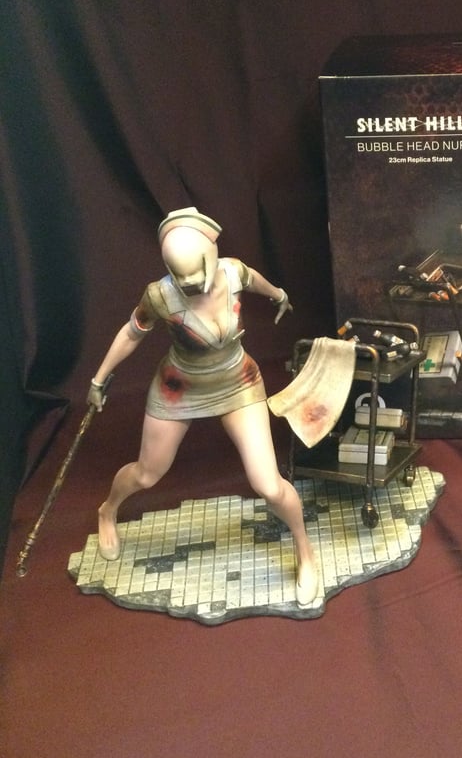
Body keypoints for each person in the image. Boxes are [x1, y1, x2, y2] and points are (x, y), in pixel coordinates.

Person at [87, 207, 319, 606]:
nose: (190, 284)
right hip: (179, 387)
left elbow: (257, 280)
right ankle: (107, 511)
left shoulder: (233, 272)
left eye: (196, 274)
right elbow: (131, 332)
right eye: (182, 277)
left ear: (212, 255)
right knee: (146, 474)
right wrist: (98, 379)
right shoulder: (159, 295)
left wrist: (279, 294)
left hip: (237, 381)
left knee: (268, 484)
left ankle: (305, 550)